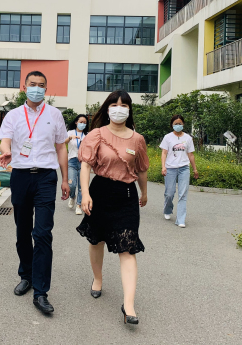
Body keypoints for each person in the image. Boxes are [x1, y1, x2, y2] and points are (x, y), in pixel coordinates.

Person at [0, 71, 70, 315]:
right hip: (20, 176)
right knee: (23, 231)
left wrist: (65, 179)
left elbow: (61, 148)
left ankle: (41, 292)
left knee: (42, 233)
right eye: (32, 84)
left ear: (46, 89)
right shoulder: (13, 115)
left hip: (46, 178)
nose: (37, 88)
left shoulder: (55, 114)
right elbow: (5, 140)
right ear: (24, 87)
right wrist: (6, 151)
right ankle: (26, 275)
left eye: (41, 85)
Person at [76, 90, 149, 326]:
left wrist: (144, 192)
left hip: (126, 196)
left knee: (127, 248)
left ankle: (129, 305)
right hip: (99, 193)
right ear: (107, 109)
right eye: (115, 105)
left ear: (129, 110)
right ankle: (97, 279)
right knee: (96, 240)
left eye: (124, 105)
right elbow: (86, 166)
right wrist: (85, 194)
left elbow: (142, 169)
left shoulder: (137, 139)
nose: (119, 109)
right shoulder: (96, 134)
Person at [160, 114, 198, 228]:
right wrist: (163, 167)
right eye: (175, 124)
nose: (178, 125)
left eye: (180, 123)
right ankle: (167, 210)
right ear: (172, 125)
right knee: (169, 193)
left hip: (184, 168)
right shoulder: (167, 137)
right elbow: (164, 153)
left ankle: (180, 219)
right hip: (170, 168)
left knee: (183, 194)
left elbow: (190, 154)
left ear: (183, 124)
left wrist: (195, 169)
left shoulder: (188, 138)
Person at [64, 114, 88, 215]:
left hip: (83, 162)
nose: (83, 124)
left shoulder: (87, 135)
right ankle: (72, 196)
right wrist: (70, 138)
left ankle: (78, 206)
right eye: (81, 122)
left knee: (82, 186)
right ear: (76, 122)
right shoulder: (70, 132)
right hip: (72, 161)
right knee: (72, 184)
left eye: (85, 123)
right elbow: (63, 142)